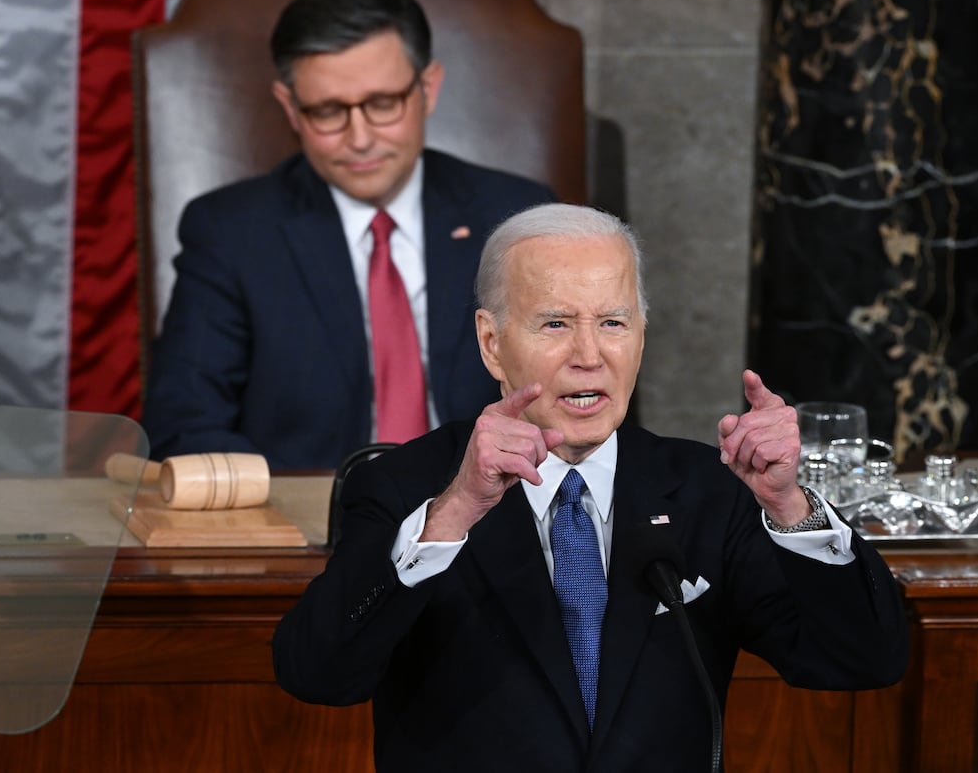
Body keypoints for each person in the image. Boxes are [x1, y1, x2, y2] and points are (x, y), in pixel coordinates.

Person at [272, 203, 907, 772]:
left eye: (612, 322)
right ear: (492, 344)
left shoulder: (709, 490)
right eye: (554, 324)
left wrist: (791, 508)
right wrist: (456, 510)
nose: (589, 354)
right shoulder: (407, 486)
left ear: (640, 336)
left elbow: (862, 661)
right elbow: (317, 673)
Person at [142, 0, 551, 470]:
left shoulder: (517, 218)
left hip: (491, 521)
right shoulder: (231, 231)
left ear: (427, 87)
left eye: (382, 105)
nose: (359, 139)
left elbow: (575, 402)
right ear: (290, 108)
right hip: (308, 530)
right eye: (329, 112)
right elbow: (185, 425)